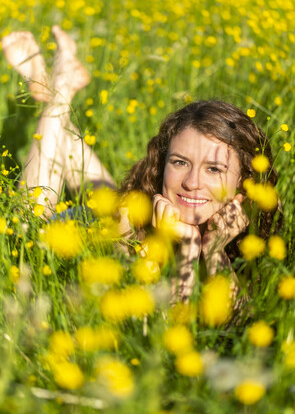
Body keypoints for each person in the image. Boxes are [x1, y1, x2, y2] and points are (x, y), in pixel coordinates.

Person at [2, 26, 279, 303]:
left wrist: (211, 249)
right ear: (162, 164)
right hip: (90, 224)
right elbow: (141, 317)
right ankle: (61, 87)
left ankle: (56, 89)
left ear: (244, 183)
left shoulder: (255, 239)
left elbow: (232, 325)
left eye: (213, 169)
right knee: (27, 227)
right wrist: (184, 249)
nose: (192, 182)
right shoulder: (128, 221)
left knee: (76, 158)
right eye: (180, 162)